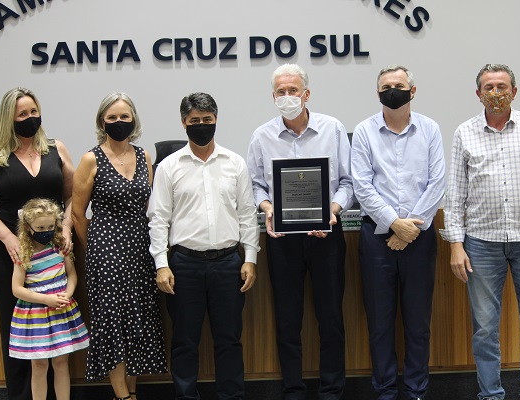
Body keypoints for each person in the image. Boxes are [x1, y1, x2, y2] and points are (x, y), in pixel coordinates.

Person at [440, 63, 520, 400]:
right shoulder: (464, 132)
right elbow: (455, 193)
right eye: (489, 87)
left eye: (502, 86)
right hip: (481, 243)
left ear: (514, 91)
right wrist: (456, 244)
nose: (496, 93)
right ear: (478, 93)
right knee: (485, 328)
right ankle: (491, 394)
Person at [246, 64, 354, 400]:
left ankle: (332, 391)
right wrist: (268, 209)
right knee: (288, 320)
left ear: (306, 94)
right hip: (282, 240)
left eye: (293, 90)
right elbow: (255, 185)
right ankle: (293, 390)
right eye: (281, 91)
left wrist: (332, 211)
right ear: (273, 96)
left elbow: (348, 182)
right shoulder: (261, 136)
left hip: (326, 236)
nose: (288, 96)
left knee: (331, 318)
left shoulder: (333, 129)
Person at [148, 92, 259, 400]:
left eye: (207, 120)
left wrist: (250, 258)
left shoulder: (235, 163)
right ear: (184, 123)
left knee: (229, 340)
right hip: (184, 265)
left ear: (216, 120)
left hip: (228, 263)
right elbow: (158, 220)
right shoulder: (169, 166)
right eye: (194, 120)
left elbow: (247, 214)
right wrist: (161, 264)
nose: (201, 125)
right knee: (185, 341)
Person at [350, 65, 445, 400]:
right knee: (380, 324)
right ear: (377, 93)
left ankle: (417, 391)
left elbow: (437, 182)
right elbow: (362, 185)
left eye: (399, 85)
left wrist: (410, 227)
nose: (393, 90)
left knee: (418, 324)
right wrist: (394, 223)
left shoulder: (430, 129)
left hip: (419, 237)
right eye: (386, 86)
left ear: (412, 91)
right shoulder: (364, 131)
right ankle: (386, 391)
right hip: (377, 239)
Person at [0, 87, 75, 400]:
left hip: (53, 254)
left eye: (34, 112)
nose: (30, 118)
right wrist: (8, 237)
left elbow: (73, 195)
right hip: (11, 255)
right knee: (17, 329)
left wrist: (67, 227)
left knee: (56, 326)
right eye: (22, 114)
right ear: (9, 119)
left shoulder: (56, 149)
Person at [72, 92, 167, 400]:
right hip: (105, 252)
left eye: (124, 117)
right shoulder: (90, 159)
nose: (118, 122)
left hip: (140, 249)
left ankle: (132, 391)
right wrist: (95, 249)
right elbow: (77, 214)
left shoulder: (144, 156)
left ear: (133, 120)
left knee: (138, 319)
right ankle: (122, 395)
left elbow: (149, 205)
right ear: (102, 122)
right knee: (113, 323)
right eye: (112, 117)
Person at [10, 198, 89, 400]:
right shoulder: (23, 253)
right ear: (28, 227)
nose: (46, 231)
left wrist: (67, 294)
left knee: (61, 363)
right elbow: (17, 289)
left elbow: (72, 275)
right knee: (39, 364)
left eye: (50, 227)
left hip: (61, 311)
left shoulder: (60, 247)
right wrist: (45, 299)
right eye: (40, 228)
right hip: (36, 315)